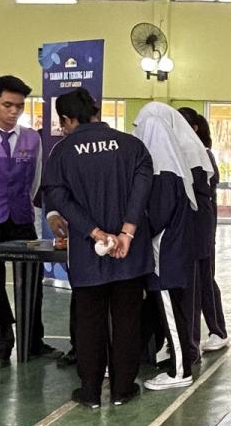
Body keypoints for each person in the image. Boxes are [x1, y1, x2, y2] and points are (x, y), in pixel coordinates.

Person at [42, 89, 153, 408]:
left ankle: (90, 391)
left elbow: (58, 196)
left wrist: (95, 232)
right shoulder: (132, 146)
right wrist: (126, 233)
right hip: (129, 252)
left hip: (87, 253)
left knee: (89, 320)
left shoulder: (62, 152)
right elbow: (142, 190)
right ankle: (122, 389)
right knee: (127, 319)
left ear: (67, 119)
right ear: (96, 111)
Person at [133, 103, 214, 391]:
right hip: (174, 250)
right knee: (174, 309)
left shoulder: (164, 173)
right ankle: (177, 362)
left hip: (165, 253)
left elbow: (157, 216)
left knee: (170, 309)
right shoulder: (175, 169)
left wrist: (133, 229)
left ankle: (180, 370)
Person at [0, 75, 57, 366]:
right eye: (8, 105)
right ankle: (2, 344)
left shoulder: (32, 138)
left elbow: (35, 180)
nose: (14, 111)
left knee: (32, 282)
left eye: (19, 106)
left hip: (22, 217)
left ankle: (34, 341)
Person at [178, 108, 228, 352]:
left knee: (205, 278)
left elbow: (205, 188)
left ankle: (217, 330)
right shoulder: (182, 152)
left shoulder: (202, 154)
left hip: (202, 226)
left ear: (194, 128)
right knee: (196, 279)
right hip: (191, 226)